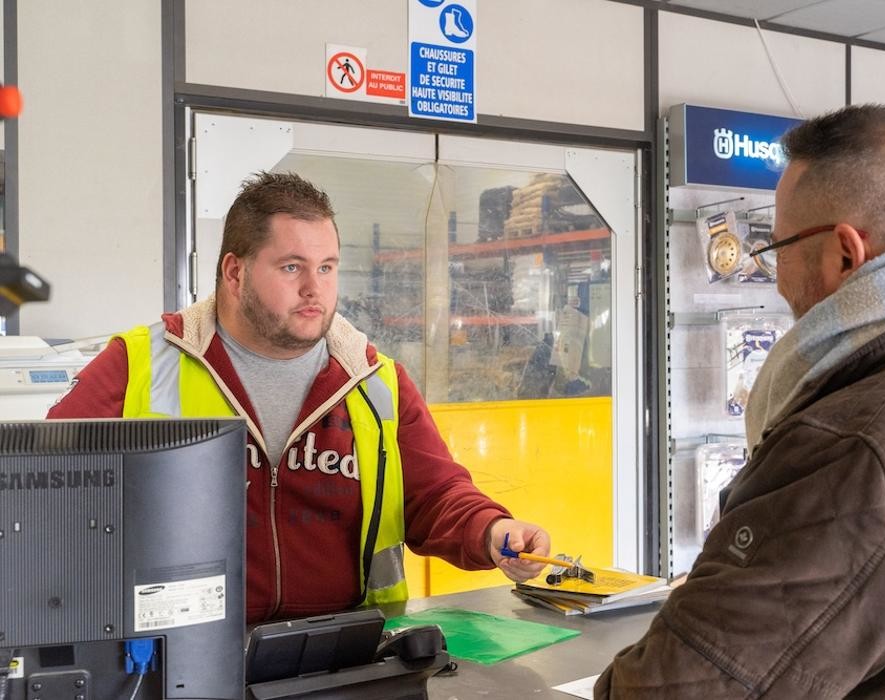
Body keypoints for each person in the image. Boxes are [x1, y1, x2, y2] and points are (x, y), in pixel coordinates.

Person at [596, 104, 885, 697]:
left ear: (844, 254)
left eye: (777, 245)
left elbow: (671, 689)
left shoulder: (852, 449)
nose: (775, 275)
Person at [48, 171, 550, 623]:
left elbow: (435, 496)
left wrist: (492, 531)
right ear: (234, 271)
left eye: (327, 267)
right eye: (292, 267)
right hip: (179, 657)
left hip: (347, 653)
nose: (315, 288)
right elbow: (46, 495)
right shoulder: (138, 365)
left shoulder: (375, 380)